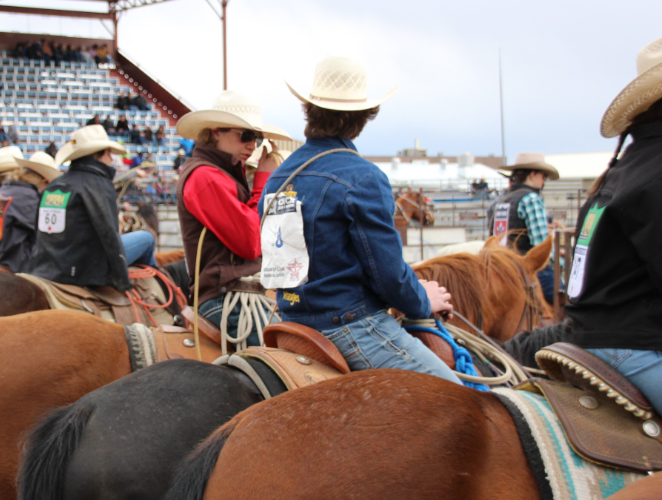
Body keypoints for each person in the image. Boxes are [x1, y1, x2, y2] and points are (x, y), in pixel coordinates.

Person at [261, 56, 458, 382]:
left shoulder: (277, 178)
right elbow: (389, 276)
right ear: (364, 118)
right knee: (461, 399)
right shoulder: (363, 177)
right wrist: (423, 301)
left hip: (289, 321)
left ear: (309, 110)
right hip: (349, 326)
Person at [504, 35, 662, 412]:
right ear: (536, 175)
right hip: (634, 342)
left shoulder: (621, 170)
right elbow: (543, 242)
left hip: (589, 326)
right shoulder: (654, 173)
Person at [176, 90, 292, 348]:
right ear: (216, 130)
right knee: (281, 367)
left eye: (257, 137)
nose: (252, 145)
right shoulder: (205, 177)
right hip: (227, 301)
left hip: (235, 296)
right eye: (246, 135)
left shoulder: (218, 174)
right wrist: (264, 181)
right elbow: (251, 244)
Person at [29, 125, 155, 291]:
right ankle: (153, 292)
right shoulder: (98, 184)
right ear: (101, 153)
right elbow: (109, 233)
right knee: (146, 238)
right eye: (109, 153)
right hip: (82, 267)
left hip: (47, 266)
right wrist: (122, 280)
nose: (111, 159)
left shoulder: (55, 184)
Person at [491, 152, 560, 304]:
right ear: (533, 174)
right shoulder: (531, 199)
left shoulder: (499, 200)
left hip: (498, 268)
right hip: (525, 270)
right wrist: (559, 263)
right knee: (566, 300)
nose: (543, 182)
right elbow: (541, 245)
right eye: (544, 177)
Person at [0, 149, 60, 273]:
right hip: (19, 267)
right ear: (45, 180)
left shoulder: (5, 192)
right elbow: (44, 235)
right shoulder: (28, 197)